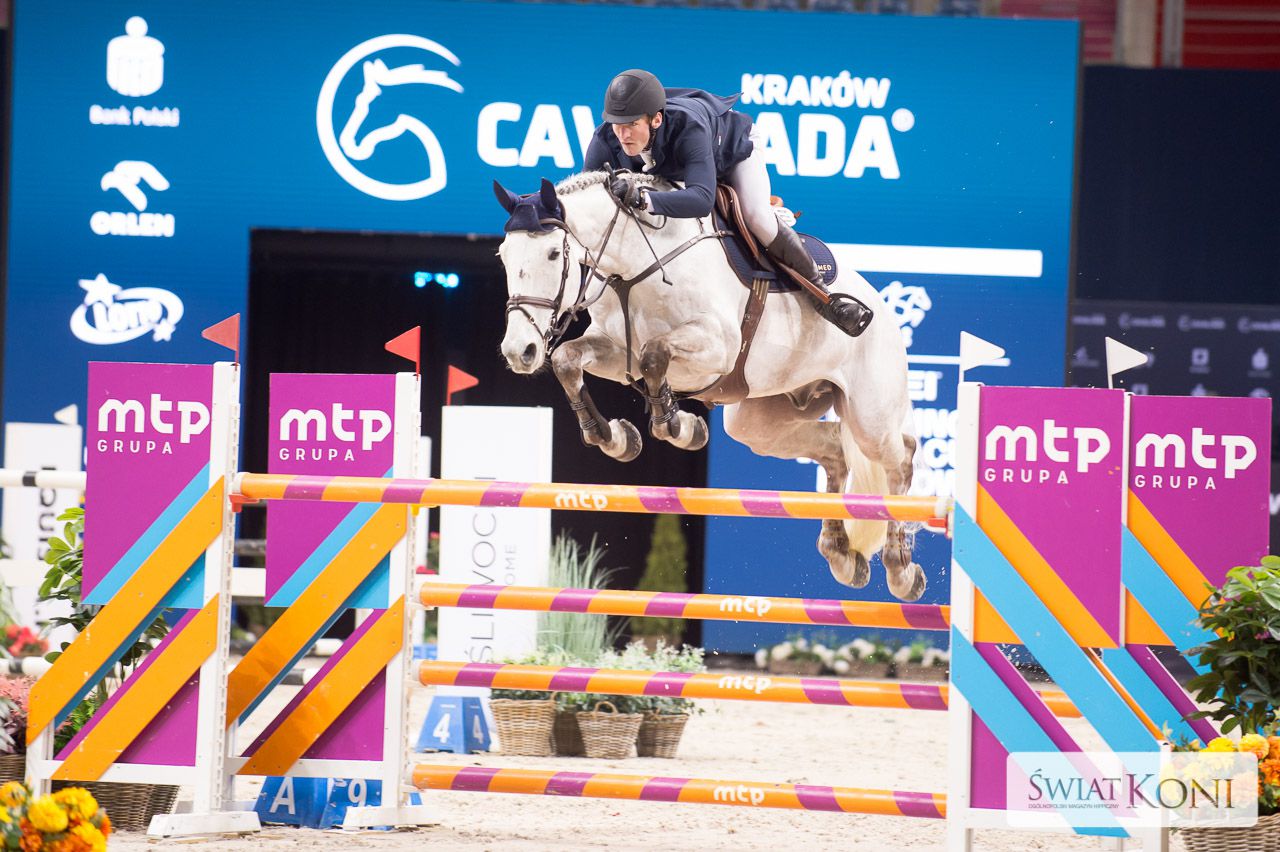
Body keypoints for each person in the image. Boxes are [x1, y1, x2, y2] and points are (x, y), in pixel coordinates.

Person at [584, 69, 872, 338]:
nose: (623, 135)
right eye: (617, 125)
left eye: (632, 125)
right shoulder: (605, 139)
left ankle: (824, 298)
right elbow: (588, 206)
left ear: (656, 120)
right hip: (674, 167)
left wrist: (643, 198)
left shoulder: (689, 127)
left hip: (732, 150)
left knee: (757, 217)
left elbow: (701, 198)